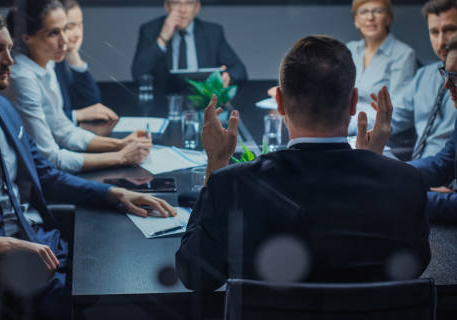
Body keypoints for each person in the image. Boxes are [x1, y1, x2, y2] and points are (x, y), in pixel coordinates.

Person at [0, 7, 176, 319]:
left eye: (8, 48)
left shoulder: (4, 108)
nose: (9, 60)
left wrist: (116, 195)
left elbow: (44, 175)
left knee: (125, 268)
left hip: (43, 244)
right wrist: (1, 245)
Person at [176, 35, 430, 291]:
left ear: (280, 103)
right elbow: (413, 266)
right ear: (353, 102)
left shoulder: (231, 186)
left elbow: (194, 275)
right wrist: (374, 164)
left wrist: (215, 165)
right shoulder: (406, 183)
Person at [4, 0, 151, 173]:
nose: (64, 40)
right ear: (27, 38)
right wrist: (121, 156)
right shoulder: (22, 77)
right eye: (53, 33)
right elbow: (51, 159)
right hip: (24, 181)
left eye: (65, 29)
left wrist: (120, 144)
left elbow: (64, 129)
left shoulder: (47, 62)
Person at [409, 26, 457, 223]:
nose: (447, 86)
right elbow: (443, 165)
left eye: (456, 78)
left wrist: (404, 199)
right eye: (446, 74)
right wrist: (389, 172)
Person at [391, 0, 457, 160]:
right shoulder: (423, 76)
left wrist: (454, 183)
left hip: (451, 180)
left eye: (450, 30)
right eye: (434, 32)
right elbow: (393, 117)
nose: (441, 41)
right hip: (421, 172)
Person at [131, 0, 247, 90]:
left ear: (197, 7)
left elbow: (239, 70)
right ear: (167, 6)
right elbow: (137, 73)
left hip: (203, 102)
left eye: (189, 3)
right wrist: (163, 38)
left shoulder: (212, 32)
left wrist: (228, 76)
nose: (182, 10)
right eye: (176, 3)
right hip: (163, 103)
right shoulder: (150, 30)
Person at [345, 0, 416, 135]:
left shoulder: (403, 54)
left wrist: (346, 126)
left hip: (379, 138)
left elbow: (399, 114)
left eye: (378, 11)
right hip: (344, 132)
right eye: (364, 12)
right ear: (356, 20)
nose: (370, 17)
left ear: (388, 18)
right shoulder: (348, 51)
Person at [55, 0, 119, 123]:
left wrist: (75, 58)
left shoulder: (63, 61)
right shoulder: (49, 64)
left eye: (80, 25)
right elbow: (50, 121)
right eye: (70, 27)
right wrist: (77, 115)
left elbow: (92, 103)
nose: (78, 33)